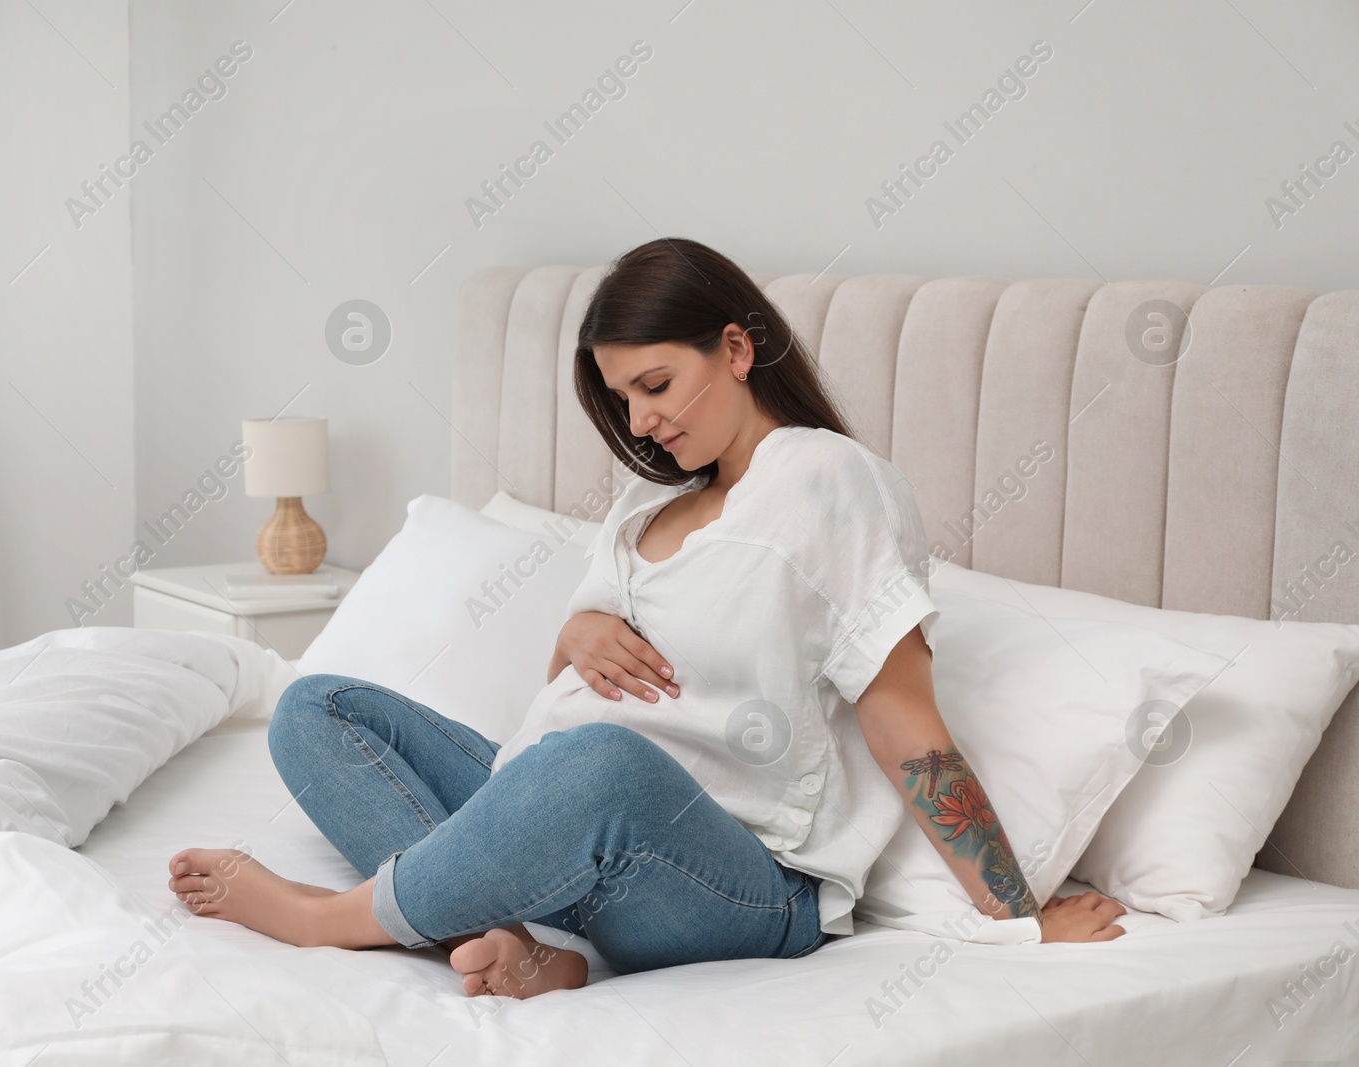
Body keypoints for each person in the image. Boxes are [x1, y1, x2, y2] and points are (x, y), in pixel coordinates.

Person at [167, 237, 1128, 1000]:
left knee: (597, 768)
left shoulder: (832, 483)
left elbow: (904, 723)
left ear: (738, 348)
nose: (639, 423)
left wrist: (1017, 915)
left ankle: (328, 916)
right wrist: (577, 632)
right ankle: (510, 947)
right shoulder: (642, 505)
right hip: (556, 807)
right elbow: (558, 696)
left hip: (733, 877)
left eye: (656, 386)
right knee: (318, 705)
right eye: (621, 397)